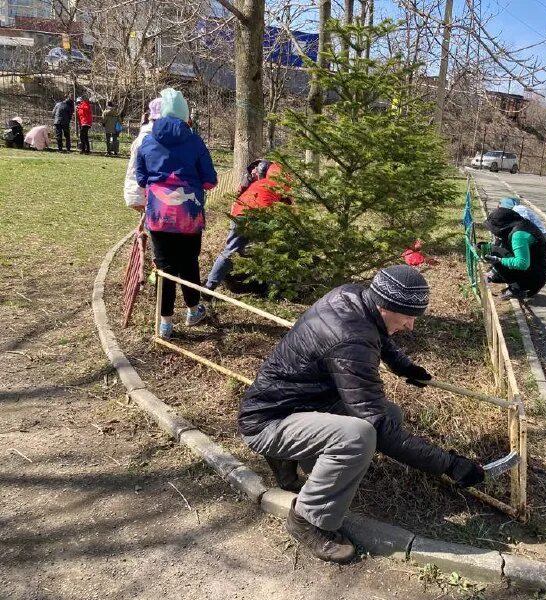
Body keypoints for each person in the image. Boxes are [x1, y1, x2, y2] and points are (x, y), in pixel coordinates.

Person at [239, 265, 485, 564]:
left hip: (300, 402)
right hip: (269, 421)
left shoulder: (354, 296)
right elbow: (375, 425)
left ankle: (291, 459)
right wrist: (449, 464)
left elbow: (378, 335)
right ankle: (307, 520)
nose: (410, 326)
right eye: (407, 317)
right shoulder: (350, 339)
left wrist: (404, 367)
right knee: (360, 436)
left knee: (390, 413)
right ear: (385, 306)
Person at [136, 88, 217, 339]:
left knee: (164, 267)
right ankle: (193, 310)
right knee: (189, 262)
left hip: (159, 216)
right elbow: (210, 180)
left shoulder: (147, 141)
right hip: (189, 218)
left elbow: (141, 178)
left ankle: (165, 324)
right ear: (185, 117)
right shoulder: (194, 141)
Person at [204, 160, 292, 291]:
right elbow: (287, 207)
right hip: (261, 212)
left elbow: (239, 194)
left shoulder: (254, 183)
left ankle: (209, 286)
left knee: (231, 249)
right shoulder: (281, 179)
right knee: (272, 249)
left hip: (240, 212)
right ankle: (273, 288)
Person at [483, 206, 546, 301]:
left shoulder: (519, 235)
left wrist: (499, 261)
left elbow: (522, 263)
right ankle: (511, 281)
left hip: (535, 276)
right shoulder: (517, 226)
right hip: (535, 271)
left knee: (497, 257)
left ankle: (518, 288)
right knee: (495, 252)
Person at [124, 99, 160, 212]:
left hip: (140, 191)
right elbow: (137, 169)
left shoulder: (144, 137)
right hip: (143, 191)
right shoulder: (148, 140)